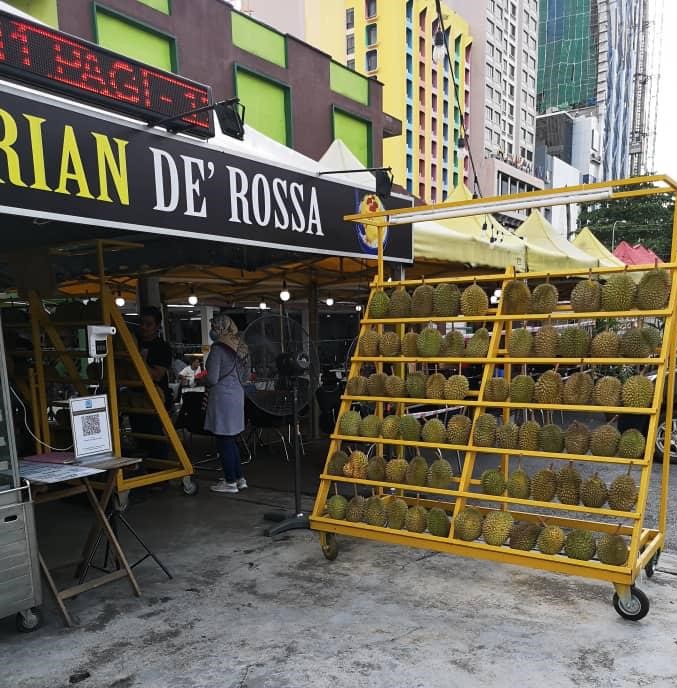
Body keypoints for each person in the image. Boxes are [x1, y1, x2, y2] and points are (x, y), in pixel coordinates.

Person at [204, 314, 248, 494]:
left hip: (222, 399)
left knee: (224, 440)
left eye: (214, 327)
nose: (212, 330)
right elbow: (245, 376)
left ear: (220, 328)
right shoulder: (242, 346)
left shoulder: (218, 349)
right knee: (232, 439)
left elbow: (212, 378)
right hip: (237, 396)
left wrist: (202, 382)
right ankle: (239, 478)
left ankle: (230, 481)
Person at [130, 306, 172, 459]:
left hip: (156, 401)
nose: (144, 327)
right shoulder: (133, 344)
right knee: (140, 440)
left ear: (157, 326)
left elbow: (157, 376)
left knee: (156, 442)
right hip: (135, 400)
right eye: (141, 323)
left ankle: (160, 475)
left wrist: (140, 360)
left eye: (148, 324)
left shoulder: (162, 348)